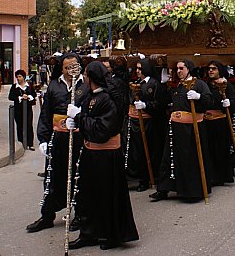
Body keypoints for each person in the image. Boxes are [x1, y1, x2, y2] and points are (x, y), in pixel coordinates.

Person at [66, 61, 139, 250]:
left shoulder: (108, 99)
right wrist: (74, 121)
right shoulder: (89, 95)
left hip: (106, 156)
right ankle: (88, 233)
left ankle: (109, 235)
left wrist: (79, 118)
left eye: (86, 73)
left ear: (92, 76)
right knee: (86, 196)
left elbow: (101, 130)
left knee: (106, 196)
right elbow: (86, 120)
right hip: (90, 154)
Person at [26, 53, 89, 233]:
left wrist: (79, 115)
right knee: (53, 177)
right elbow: (46, 114)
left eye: (74, 66)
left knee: (78, 176)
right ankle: (47, 216)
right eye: (67, 67)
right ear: (61, 68)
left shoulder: (85, 85)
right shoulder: (54, 85)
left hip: (78, 137)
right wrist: (43, 139)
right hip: (58, 138)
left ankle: (80, 215)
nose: (71, 70)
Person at [150, 59, 213, 201]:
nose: (178, 71)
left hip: (191, 128)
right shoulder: (176, 86)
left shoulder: (199, 84)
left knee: (190, 159)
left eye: (181, 68)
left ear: (189, 68)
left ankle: (192, 191)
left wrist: (199, 97)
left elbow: (209, 101)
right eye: (177, 69)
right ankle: (164, 189)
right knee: (169, 158)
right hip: (175, 128)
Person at [127, 58, 165, 192]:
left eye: (140, 69)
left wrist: (146, 105)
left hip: (150, 123)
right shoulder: (136, 83)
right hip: (136, 122)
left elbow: (160, 104)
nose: (137, 71)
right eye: (136, 68)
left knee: (149, 151)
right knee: (138, 152)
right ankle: (140, 178)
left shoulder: (154, 84)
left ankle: (149, 178)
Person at [204, 60, 235, 182]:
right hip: (207, 121)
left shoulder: (226, 85)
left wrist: (229, 103)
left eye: (214, 68)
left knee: (221, 149)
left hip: (220, 122)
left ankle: (223, 176)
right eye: (209, 68)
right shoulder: (205, 84)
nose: (211, 71)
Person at [8, 70, 36, 150]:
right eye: (17, 77)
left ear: (23, 77)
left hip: (28, 108)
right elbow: (11, 96)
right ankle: (21, 143)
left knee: (29, 125)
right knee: (19, 125)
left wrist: (28, 97)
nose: (18, 78)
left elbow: (34, 94)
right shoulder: (14, 87)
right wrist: (20, 98)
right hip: (18, 108)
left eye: (20, 76)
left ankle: (30, 143)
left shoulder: (29, 86)